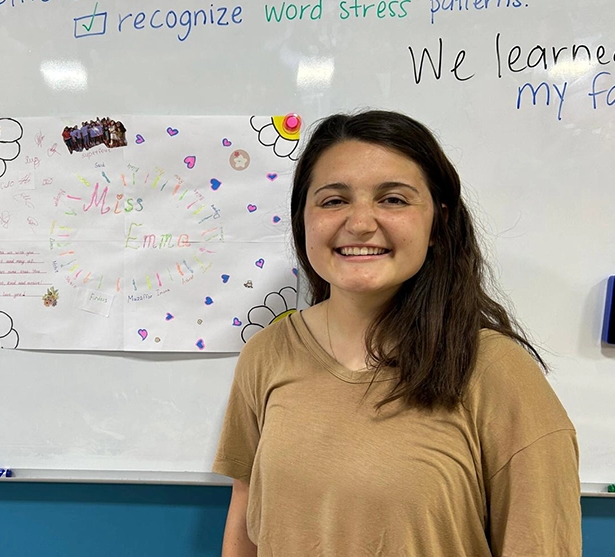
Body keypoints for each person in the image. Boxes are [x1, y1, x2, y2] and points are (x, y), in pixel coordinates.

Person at [213, 110, 581, 556]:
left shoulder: (496, 372)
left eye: (393, 200)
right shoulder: (267, 353)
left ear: (438, 223)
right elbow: (245, 512)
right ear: (303, 220)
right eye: (333, 201)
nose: (361, 223)